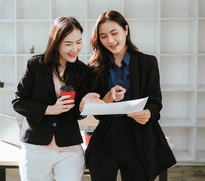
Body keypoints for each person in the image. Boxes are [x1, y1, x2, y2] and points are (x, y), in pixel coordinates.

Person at [85, 10, 176, 181]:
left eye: (114, 33)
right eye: (103, 36)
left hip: (138, 138)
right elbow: (97, 112)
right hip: (106, 138)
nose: (110, 41)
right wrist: (107, 98)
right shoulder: (94, 68)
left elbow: (156, 103)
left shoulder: (148, 63)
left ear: (126, 30)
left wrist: (148, 113)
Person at [12, 16, 95, 181]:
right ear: (55, 42)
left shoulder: (82, 71)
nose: (75, 49)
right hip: (35, 146)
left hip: (69, 148)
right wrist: (49, 109)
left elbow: (78, 114)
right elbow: (18, 102)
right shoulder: (35, 65)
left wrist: (83, 106)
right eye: (68, 44)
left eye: (78, 42)